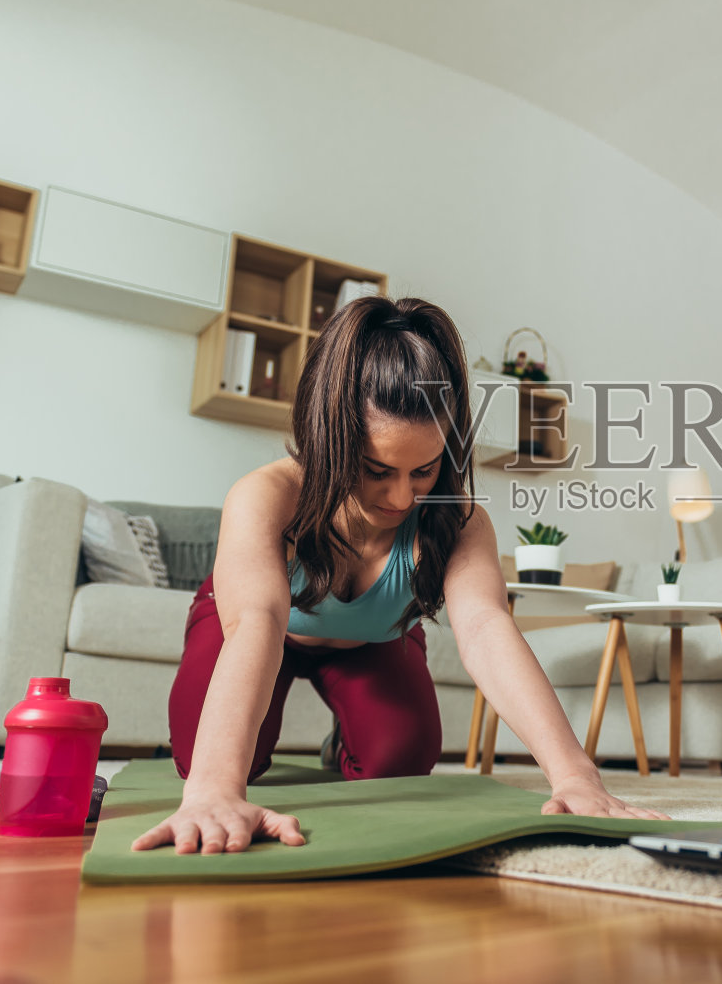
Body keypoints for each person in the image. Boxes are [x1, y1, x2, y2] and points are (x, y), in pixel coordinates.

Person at [134, 296, 667, 854]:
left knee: (401, 764)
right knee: (203, 762)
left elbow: (486, 630)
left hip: (370, 643)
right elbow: (257, 621)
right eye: (377, 470)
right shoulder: (266, 496)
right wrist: (216, 789)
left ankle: (342, 738)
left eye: (424, 469)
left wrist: (576, 776)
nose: (401, 496)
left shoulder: (459, 520)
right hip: (255, 630)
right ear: (329, 439)